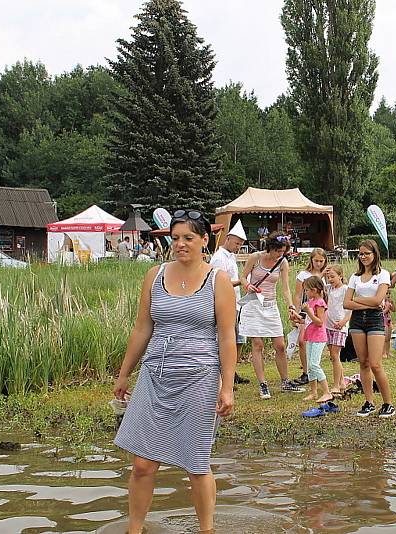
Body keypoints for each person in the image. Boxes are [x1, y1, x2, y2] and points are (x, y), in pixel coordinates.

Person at [113, 209, 236, 534]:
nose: (180, 244)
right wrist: (125, 373)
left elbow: (226, 337)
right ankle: (134, 530)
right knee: (142, 463)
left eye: (188, 238)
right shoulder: (154, 274)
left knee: (196, 464)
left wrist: (227, 386)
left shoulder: (218, 280)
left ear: (204, 240)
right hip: (155, 375)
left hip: (200, 378)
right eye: (175, 238)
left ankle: (206, 529)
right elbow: (142, 328)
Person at [239, 232, 304, 400]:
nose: (279, 255)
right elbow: (243, 276)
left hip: (271, 305)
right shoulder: (256, 257)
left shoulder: (282, 262)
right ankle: (263, 384)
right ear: (270, 247)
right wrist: (248, 285)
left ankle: (285, 381)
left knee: (280, 345)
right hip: (254, 304)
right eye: (277, 251)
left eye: (283, 251)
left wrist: (290, 305)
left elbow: (285, 288)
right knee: (258, 344)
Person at [344, 239, 395, 418]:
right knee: (363, 363)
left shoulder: (383, 274)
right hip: (357, 321)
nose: (363, 256)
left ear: (375, 254)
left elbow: (378, 300)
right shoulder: (355, 276)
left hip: (374, 321)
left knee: (375, 364)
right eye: (361, 253)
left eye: (367, 253)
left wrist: (358, 300)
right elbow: (346, 303)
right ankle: (369, 402)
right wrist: (369, 303)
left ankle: (388, 403)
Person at [209, 220, 250, 385]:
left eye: (240, 244)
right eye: (237, 243)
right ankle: (222, 374)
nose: (238, 246)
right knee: (227, 339)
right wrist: (241, 281)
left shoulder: (231, 256)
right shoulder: (219, 258)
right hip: (225, 303)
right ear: (228, 239)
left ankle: (231, 371)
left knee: (239, 339)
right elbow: (219, 283)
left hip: (236, 303)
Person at [293, 249, 328, 386]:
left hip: (318, 309)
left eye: (321, 261)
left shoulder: (324, 276)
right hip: (306, 309)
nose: (318, 263)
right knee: (302, 340)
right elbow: (298, 294)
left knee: (315, 339)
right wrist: (296, 310)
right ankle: (306, 371)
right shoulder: (303, 275)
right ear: (311, 260)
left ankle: (313, 370)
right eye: (316, 261)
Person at [300, 275, 333, 403]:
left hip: (319, 337)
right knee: (309, 366)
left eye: (307, 290)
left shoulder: (320, 303)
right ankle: (313, 392)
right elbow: (309, 321)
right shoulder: (310, 302)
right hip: (310, 336)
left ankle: (327, 392)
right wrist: (298, 318)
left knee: (314, 364)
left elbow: (319, 322)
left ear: (314, 290)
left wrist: (308, 311)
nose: (305, 292)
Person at [324, 265, 350, 394]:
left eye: (333, 276)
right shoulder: (328, 289)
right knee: (334, 356)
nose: (330, 279)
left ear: (340, 276)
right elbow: (317, 283)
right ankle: (341, 382)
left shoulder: (345, 289)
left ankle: (336, 385)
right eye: (328, 277)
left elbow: (351, 308)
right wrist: (324, 272)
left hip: (340, 326)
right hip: (328, 325)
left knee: (335, 355)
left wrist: (344, 322)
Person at [381, 287, 396, 358]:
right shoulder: (381, 302)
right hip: (383, 321)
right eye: (386, 293)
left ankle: (388, 351)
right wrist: (386, 309)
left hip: (389, 321)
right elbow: (382, 312)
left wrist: (392, 303)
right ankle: (383, 352)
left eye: (389, 293)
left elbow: (394, 310)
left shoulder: (389, 302)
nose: (388, 295)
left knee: (388, 338)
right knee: (384, 337)